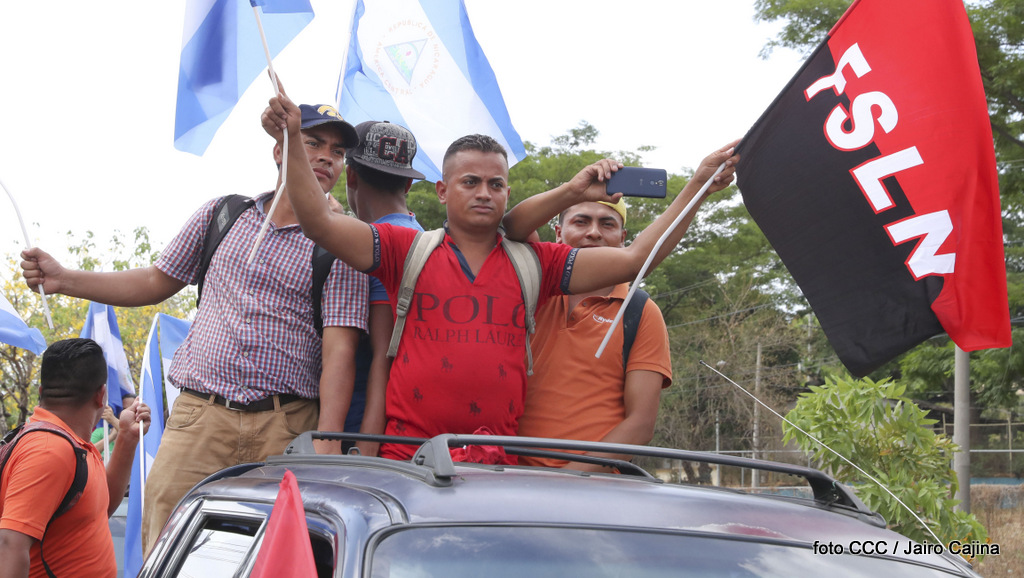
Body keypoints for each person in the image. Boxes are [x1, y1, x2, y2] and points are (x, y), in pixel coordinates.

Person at [262, 89, 738, 461]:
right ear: (442, 190)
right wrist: (294, 140)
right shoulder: (403, 249)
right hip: (407, 459)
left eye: (496, 184)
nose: (484, 193)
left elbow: (635, 259)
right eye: (470, 182)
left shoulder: (539, 262)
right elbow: (319, 222)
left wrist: (697, 185)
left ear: (508, 192)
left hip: (496, 464)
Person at [20, 103, 369, 554]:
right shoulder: (224, 215)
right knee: (167, 547)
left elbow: (340, 352)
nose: (325, 157)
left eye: (337, 152)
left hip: (286, 426)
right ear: (279, 151)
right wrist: (64, 279)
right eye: (312, 143)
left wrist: (327, 441)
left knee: (279, 558)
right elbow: (155, 281)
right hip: (200, 417)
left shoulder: (344, 243)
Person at [514, 198, 671, 470]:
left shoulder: (640, 311)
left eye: (607, 224)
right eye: (581, 221)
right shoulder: (531, 288)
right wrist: (575, 190)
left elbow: (640, 425)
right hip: (506, 477)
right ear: (558, 232)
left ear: (622, 238)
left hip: (595, 485)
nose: (594, 232)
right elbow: (513, 226)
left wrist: (568, 480)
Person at [0, 338, 150, 578]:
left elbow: (99, 509)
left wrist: (127, 437)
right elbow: (9, 544)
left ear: (41, 392)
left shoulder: (71, 444)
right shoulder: (48, 450)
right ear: (101, 396)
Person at [342, 120, 426, 457]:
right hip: (414, 426)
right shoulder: (426, 239)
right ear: (408, 184)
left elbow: (385, 355)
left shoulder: (377, 247)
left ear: (350, 176)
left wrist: (365, 451)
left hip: (368, 430)